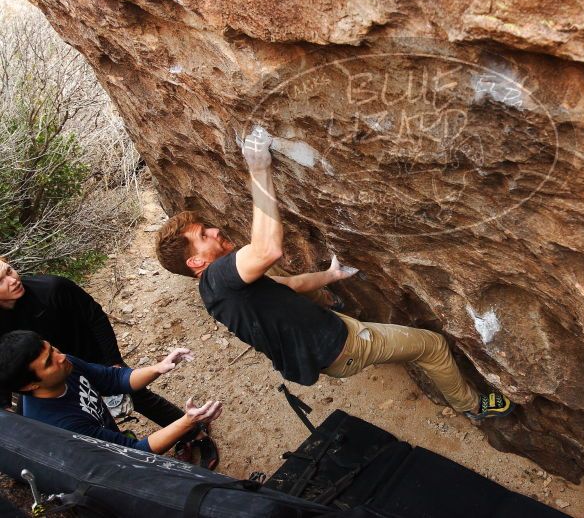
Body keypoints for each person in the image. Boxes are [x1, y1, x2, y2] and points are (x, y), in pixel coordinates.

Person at [154, 127, 513, 420]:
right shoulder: (218, 277)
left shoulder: (217, 292)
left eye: (207, 228)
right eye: (203, 237)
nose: (215, 231)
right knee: (432, 346)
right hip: (343, 346)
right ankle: (471, 407)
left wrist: (330, 275)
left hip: (325, 339)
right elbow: (267, 249)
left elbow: (289, 285)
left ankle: (336, 303)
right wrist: (259, 168)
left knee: (298, 289)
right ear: (196, 264)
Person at [0, 257, 219, 468]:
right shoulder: (57, 420)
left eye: (9, 271)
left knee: (137, 395)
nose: (12, 280)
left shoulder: (52, 289)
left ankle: (196, 434)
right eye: (0, 281)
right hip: (46, 378)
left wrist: (113, 359)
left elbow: (94, 317)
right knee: (84, 427)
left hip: (85, 357)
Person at [0, 330, 222, 454]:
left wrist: (158, 367)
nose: (61, 356)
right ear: (30, 385)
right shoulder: (60, 426)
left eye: (52, 348)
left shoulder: (64, 366)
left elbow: (112, 379)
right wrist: (187, 422)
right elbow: (134, 451)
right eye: (49, 361)